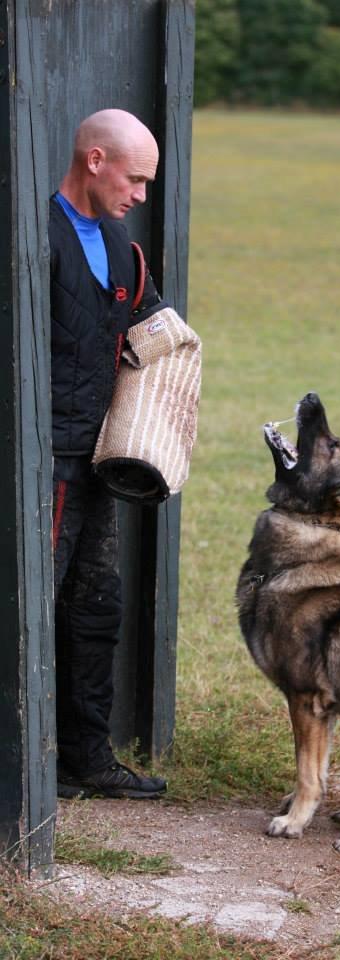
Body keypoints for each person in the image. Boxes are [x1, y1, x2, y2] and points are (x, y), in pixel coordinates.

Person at [50, 109, 169, 799]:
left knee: (96, 609)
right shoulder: (37, 235)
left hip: (98, 464)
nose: (141, 195)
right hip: (43, 467)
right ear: (95, 160)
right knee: (30, 611)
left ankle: (85, 761)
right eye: (135, 178)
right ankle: (27, 767)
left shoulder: (124, 247)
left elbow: (152, 328)